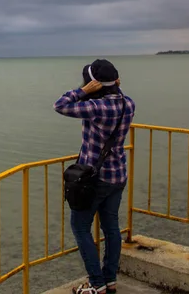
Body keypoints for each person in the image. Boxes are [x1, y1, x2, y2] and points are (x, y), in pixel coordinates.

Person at [53, 59, 136, 294]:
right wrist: (111, 87)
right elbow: (116, 97)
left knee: (80, 227)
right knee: (111, 228)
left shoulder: (97, 107)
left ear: (95, 84)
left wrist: (82, 91)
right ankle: (110, 281)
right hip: (118, 175)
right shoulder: (128, 104)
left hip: (95, 179)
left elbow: (60, 105)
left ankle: (96, 284)